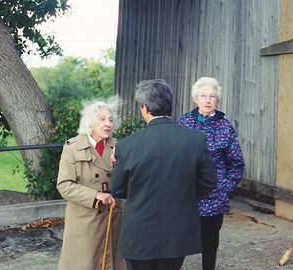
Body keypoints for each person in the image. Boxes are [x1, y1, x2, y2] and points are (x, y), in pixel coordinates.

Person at [110, 79, 217, 270]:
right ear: (170, 105)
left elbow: (117, 189)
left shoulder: (126, 146)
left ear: (144, 107)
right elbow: (209, 182)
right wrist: (183, 192)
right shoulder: (195, 140)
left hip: (139, 233)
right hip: (177, 232)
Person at [177, 77, 245, 270]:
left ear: (217, 99)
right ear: (195, 99)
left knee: (209, 244)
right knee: (179, 242)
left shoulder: (225, 126)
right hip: (187, 197)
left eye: (212, 96)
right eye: (203, 96)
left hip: (215, 198)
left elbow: (237, 162)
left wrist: (225, 187)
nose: (207, 100)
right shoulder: (184, 122)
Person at [56, 97, 126, 270]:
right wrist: (95, 195)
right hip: (84, 223)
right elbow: (64, 185)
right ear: (89, 123)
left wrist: (119, 170)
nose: (108, 124)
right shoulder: (72, 147)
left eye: (110, 120)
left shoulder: (120, 147)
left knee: (113, 263)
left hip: (113, 220)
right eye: (102, 119)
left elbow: (127, 183)